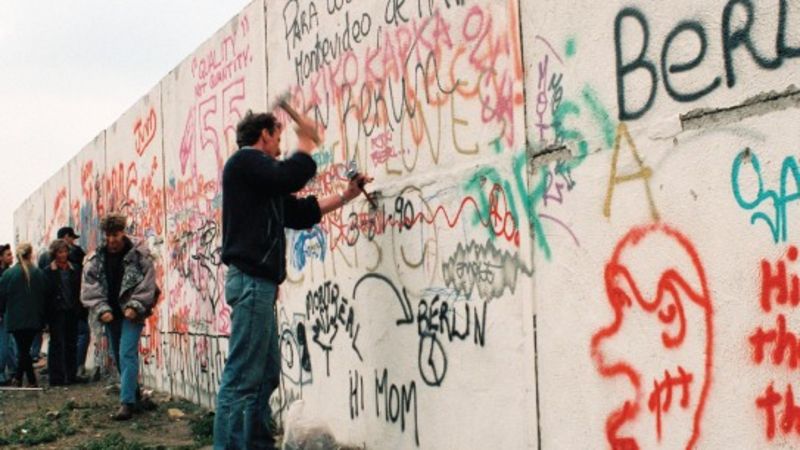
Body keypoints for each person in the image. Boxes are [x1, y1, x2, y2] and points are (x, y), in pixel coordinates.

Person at [213, 110, 372, 449]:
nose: (280, 146)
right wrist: (305, 144)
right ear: (265, 135)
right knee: (242, 379)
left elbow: (299, 213)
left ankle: (256, 443)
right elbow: (289, 177)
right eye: (279, 138)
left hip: (260, 286)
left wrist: (347, 195)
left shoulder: (259, 182)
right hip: (252, 282)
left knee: (265, 374)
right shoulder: (245, 163)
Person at [81, 213, 158, 420]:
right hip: (111, 315)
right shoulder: (96, 258)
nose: (112, 239)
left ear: (123, 232)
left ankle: (126, 404)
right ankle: (135, 394)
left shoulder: (139, 256)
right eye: (109, 235)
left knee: (126, 353)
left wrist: (136, 305)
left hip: (132, 314)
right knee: (119, 356)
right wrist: (101, 309)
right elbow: (89, 286)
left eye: (116, 234)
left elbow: (148, 283)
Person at [0, 243, 48, 387]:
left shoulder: (8, 274)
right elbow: (45, 295)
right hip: (34, 318)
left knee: (23, 349)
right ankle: (26, 379)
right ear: (31, 254)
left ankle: (23, 379)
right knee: (24, 349)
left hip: (14, 319)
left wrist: (2, 312)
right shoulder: (38, 273)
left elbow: (1, 296)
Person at [45, 239, 82, 386]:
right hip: (56, 313)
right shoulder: (48, 271)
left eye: (65, 251)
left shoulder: (74, 269)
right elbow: (46, 295)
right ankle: (56, 378)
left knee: (71, 343)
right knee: (56, 345)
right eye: (60, 252)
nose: (63, 255)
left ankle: (71, 375)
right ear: (54, 253)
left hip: (71, 311)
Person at [0, 244, 17, 385]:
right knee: (5, 343)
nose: (11, 257)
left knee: (9, 343)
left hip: (8, 311)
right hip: (3, 311)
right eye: (8, 255)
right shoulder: (5, 274)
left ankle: (13, 369)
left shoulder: (8, 272)